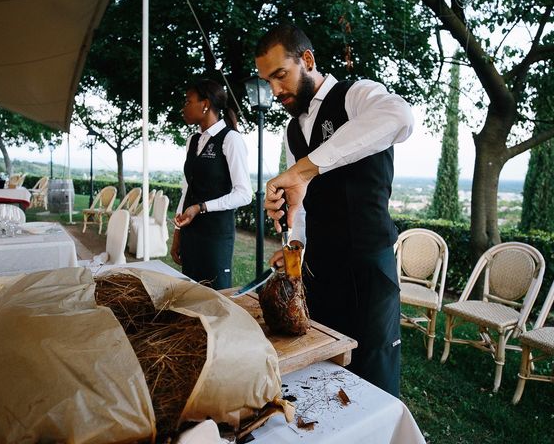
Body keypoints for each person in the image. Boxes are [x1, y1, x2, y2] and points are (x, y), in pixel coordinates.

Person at [255, 23, 414, 397]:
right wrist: (295, 242)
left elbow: (400, 118)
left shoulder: (357, 95)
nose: (275, 90)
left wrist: (302, 169)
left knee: (372, 377)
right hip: (317, 269)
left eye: (281, 75)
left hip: (367, 269)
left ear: (307, 60)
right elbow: (305, 200)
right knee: (320, 369)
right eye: (268, 81)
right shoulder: (292, 131)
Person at [171, 79, 253, 290]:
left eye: (188, 101)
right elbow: (187, 188)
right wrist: (178, 233)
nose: (184, 107)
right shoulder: (193, 140)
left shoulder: (230, 139)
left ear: (205, 104)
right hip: (190, 235)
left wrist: (202, 207)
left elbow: (244, 194)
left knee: (215, 299)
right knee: (190, 296)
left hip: (215, 237)